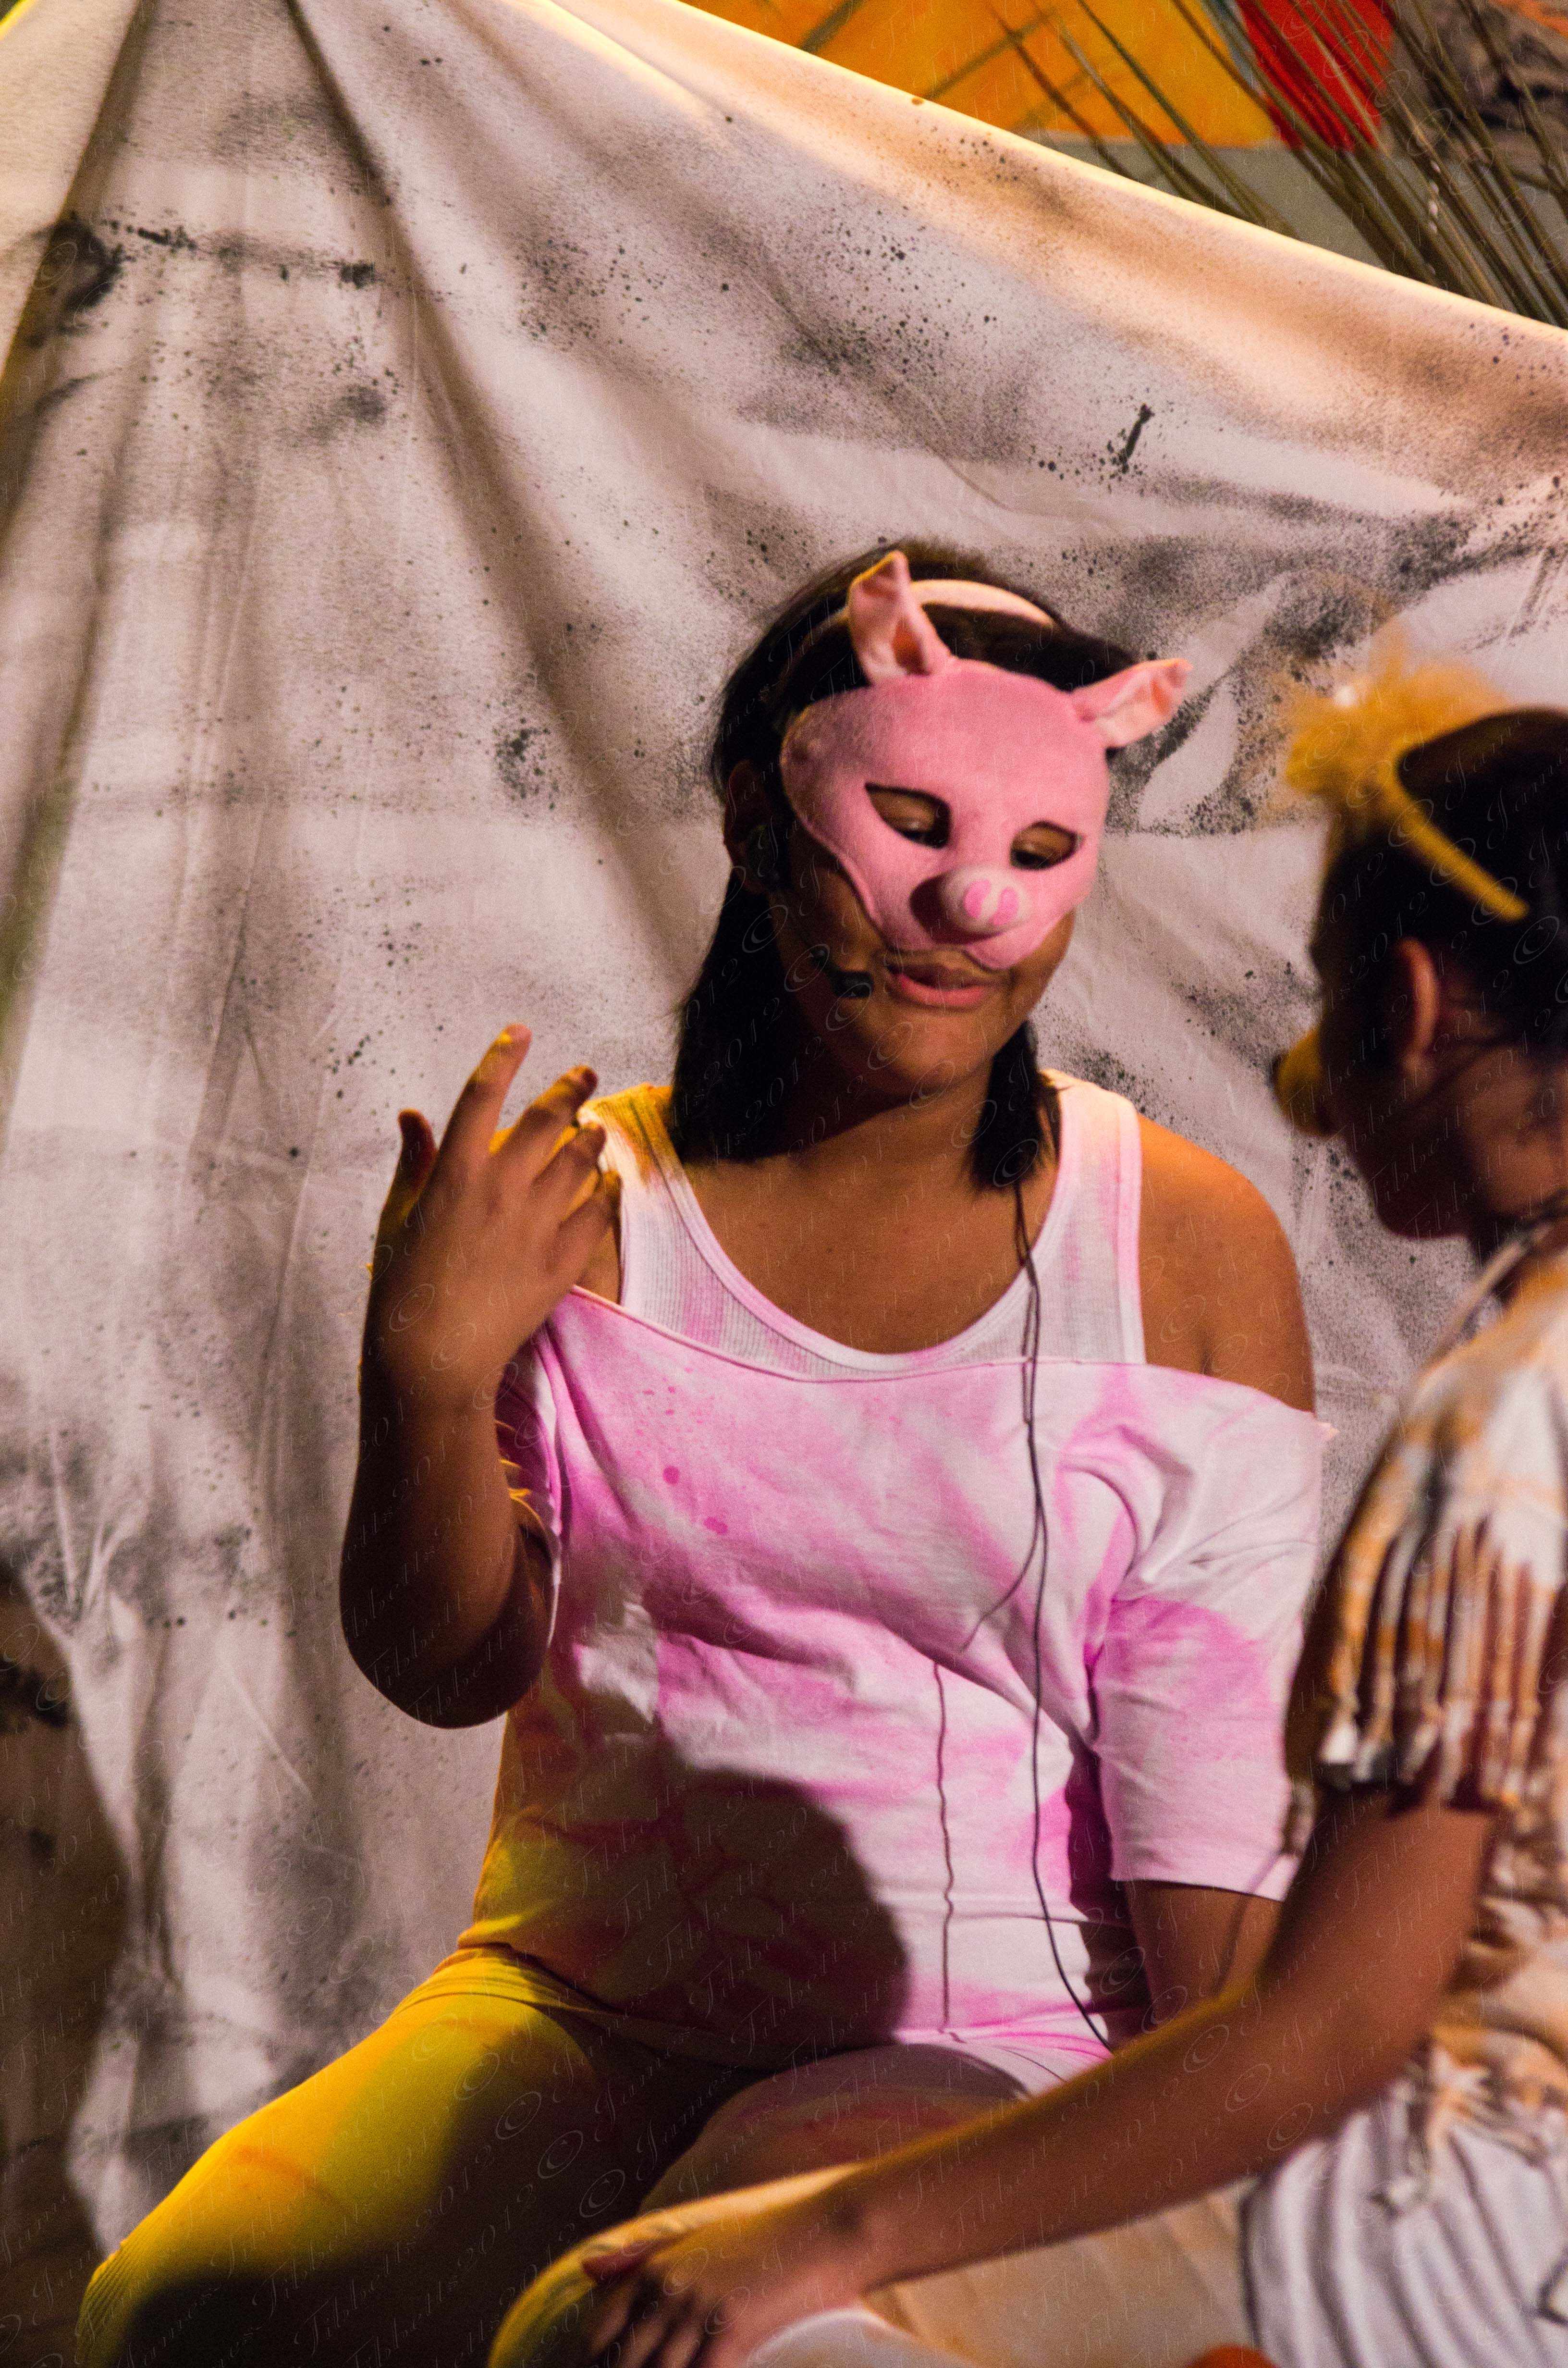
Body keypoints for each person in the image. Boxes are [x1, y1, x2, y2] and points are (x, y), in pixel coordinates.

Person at [77, 546, 1320, 2368]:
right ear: (758, 812)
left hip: (987, 2041)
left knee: (638, 2330)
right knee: (182, 2314)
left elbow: (1222, 1850)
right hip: (576, 2002)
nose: (966, 905)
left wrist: (1217, 2233)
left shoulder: (1178, 1247)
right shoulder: (583, 1209)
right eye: (909, 818)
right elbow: (445, 1666)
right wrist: (428, 1371)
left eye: (1037, 850)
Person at [508, 661, 1568, 2368]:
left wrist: (823, 2238)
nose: (1307, 1081)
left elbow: (1329, 2028)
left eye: (1328, 999)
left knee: (634, 2321)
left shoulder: (1506, 1423)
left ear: (1415, 1003)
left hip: (1465, 2240)